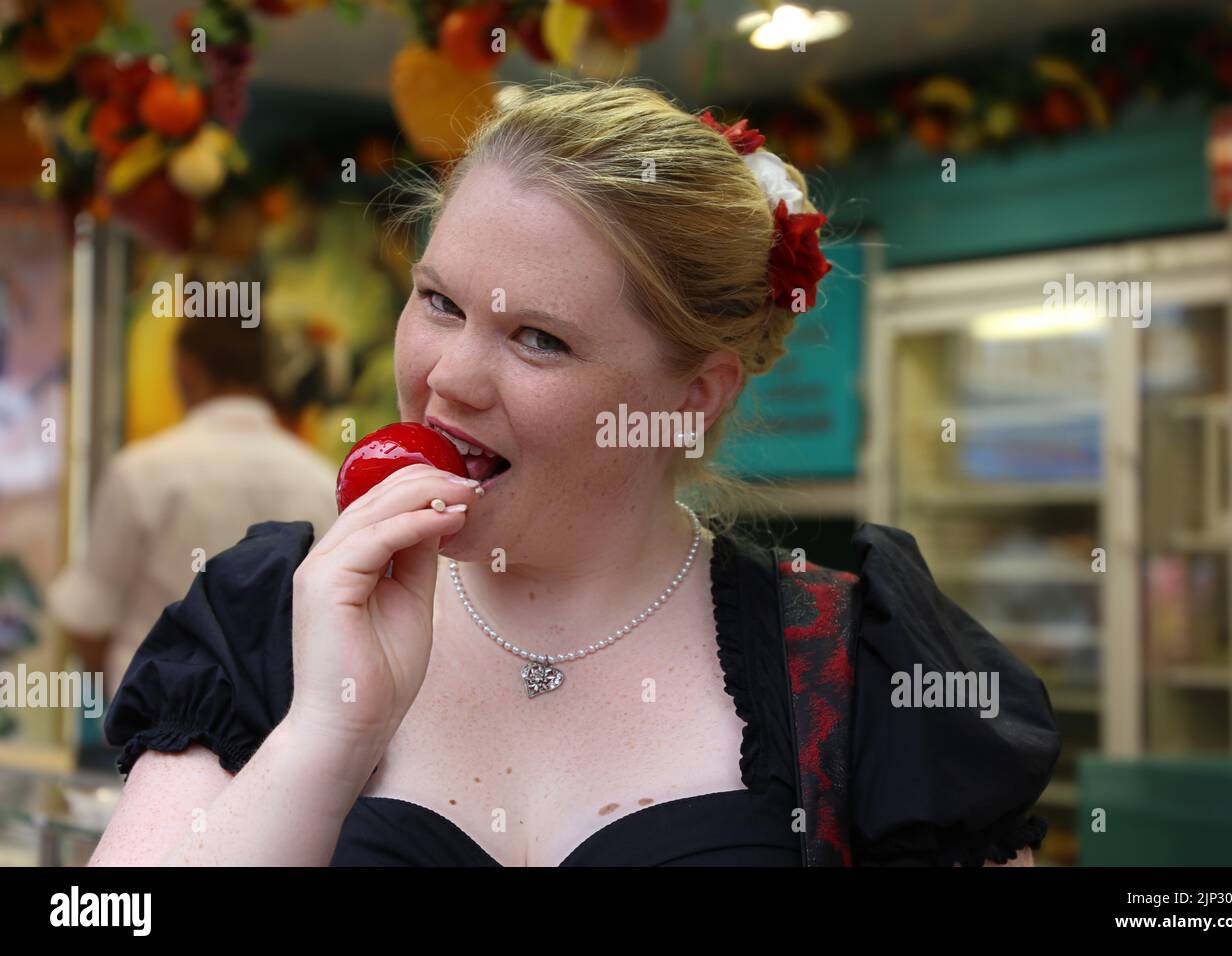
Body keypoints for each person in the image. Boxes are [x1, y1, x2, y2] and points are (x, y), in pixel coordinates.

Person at [89, 79, 1059, 867]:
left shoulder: (857, 675)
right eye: (437, 300)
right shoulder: (266, 618)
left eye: (538, 338)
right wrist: (323, 739)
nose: (448, 376)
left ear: (694, 394)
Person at [47, 304, 340, 703]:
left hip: (153, 729)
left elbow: (86, 619)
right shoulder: (321, 479)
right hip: (275, 733)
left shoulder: (141, 472)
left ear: (186, 368)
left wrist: (130, 701)